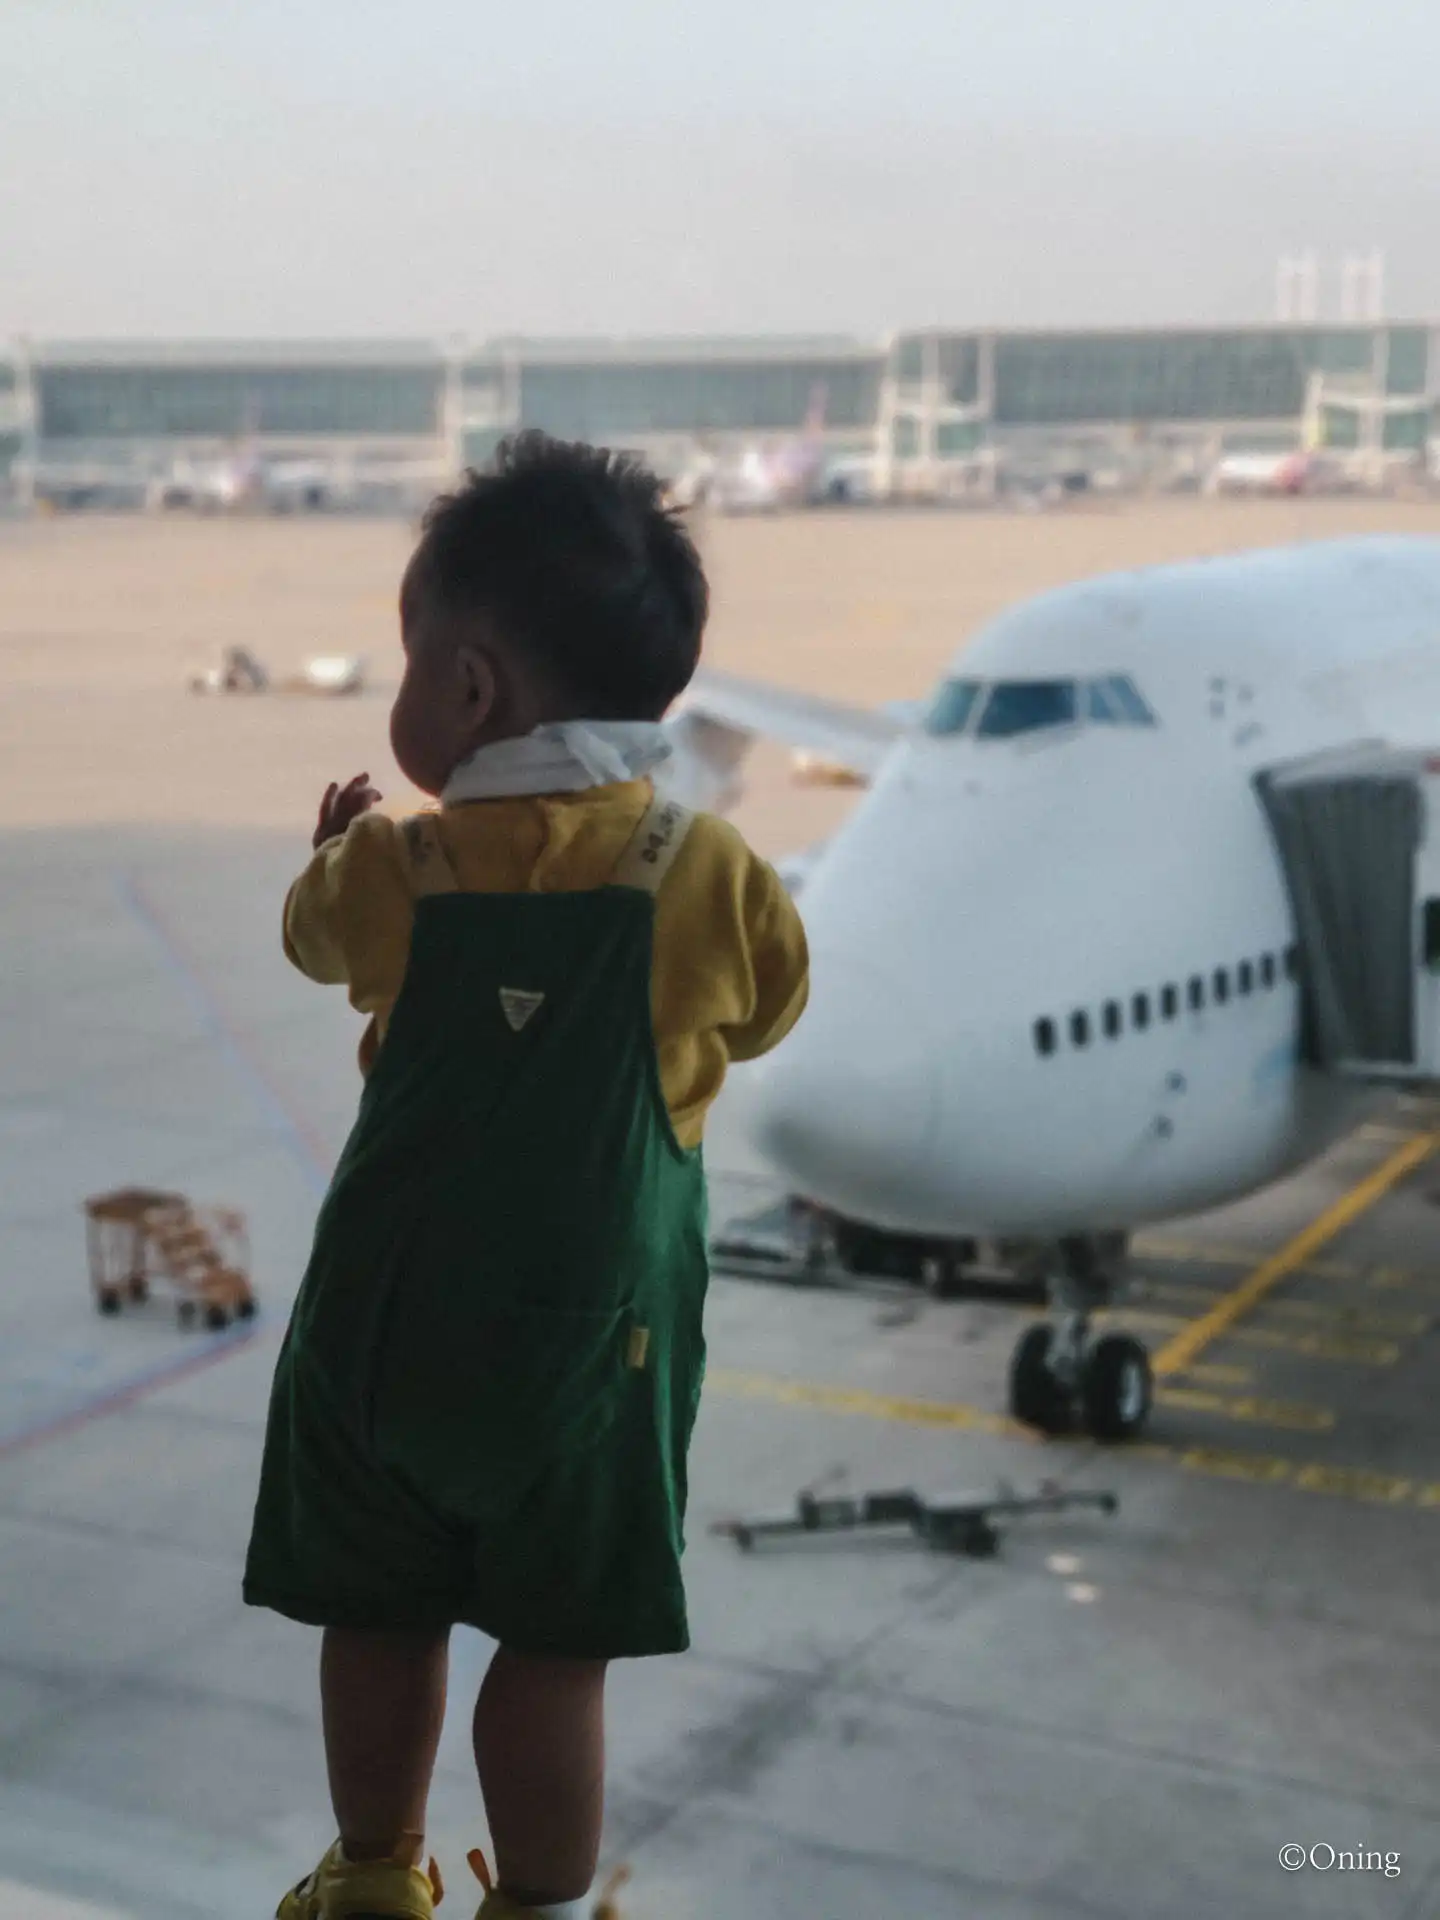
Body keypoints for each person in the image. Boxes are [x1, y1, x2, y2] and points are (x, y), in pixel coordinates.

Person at [244, 432, 810, 1920]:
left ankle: (374, 1875)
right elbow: (768, 1006)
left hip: (387, 1336)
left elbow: (312, 946)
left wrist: (332, 854)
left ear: (472, 689)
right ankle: (540, 1903)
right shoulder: (703, 872)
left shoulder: (397, 871)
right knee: (556, 1655)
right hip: (591, 1358)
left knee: (378, 1618)